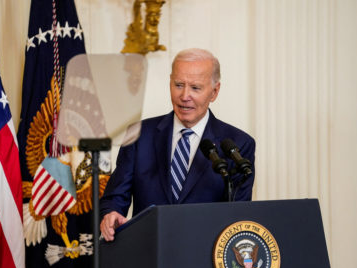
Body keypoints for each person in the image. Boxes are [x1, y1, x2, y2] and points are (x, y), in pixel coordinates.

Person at [100, 48, 255, 241]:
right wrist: (111, 214)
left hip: (206, 256)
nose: (184, 96)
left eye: (195, 88)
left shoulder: (237, 145)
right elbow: (115, 197)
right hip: (148, 251)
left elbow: (239, 214)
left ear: (214, 92)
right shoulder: (139, 135)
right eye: (178, 85)